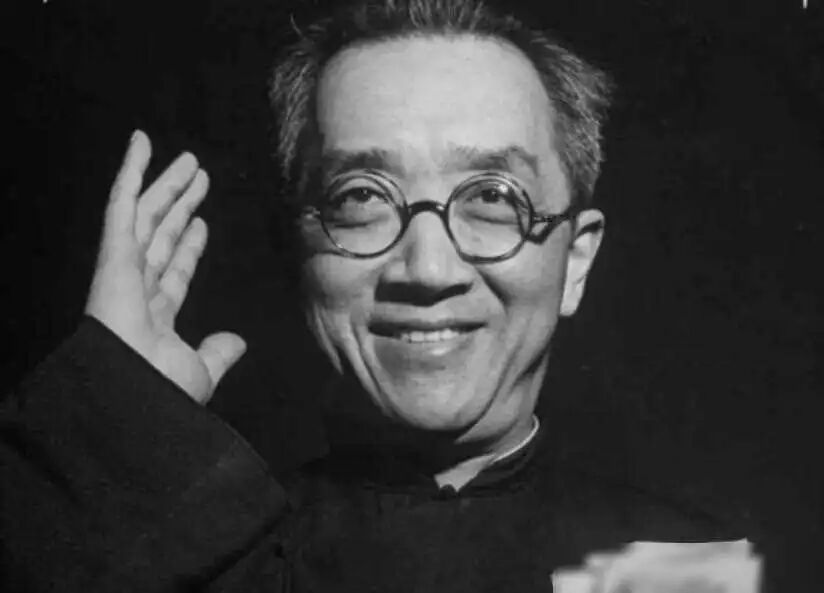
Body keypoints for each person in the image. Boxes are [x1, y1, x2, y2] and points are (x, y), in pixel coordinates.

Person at [2, 0, 766, 591]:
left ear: (576, 261)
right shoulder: (199, 556)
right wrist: (110, 441)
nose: (427, 269)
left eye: (492, 197)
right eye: (361, 197)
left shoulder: (684, 568)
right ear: (301, 253)